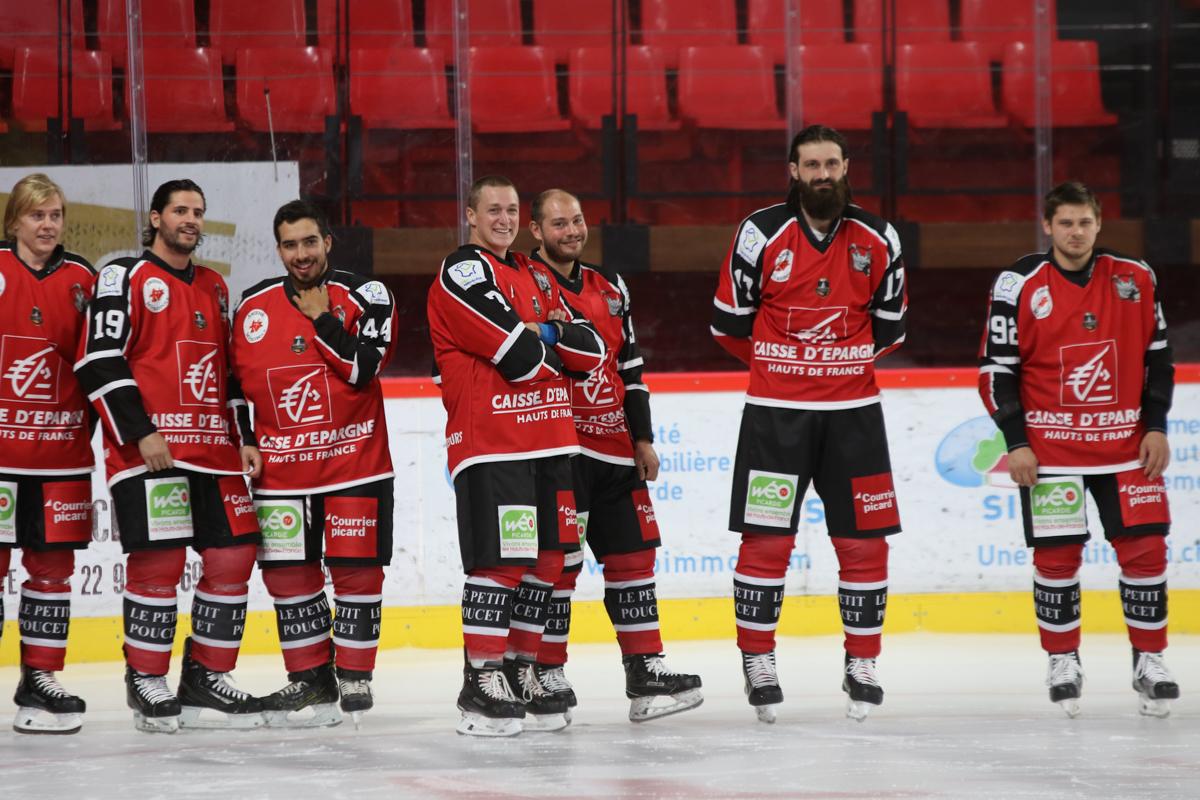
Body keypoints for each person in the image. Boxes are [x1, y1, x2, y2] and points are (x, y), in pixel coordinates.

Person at [710, 125, 907, 723]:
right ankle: (758, 660)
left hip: (855, 418)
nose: (823, 174)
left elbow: (891, 329)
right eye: (811, 165)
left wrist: (834, 369)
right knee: (767, 542)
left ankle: (863, 662)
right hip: (776, 417)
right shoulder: (759, 232)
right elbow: (727, 324)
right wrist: (786, 370)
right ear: (793, 171)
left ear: (846, 167)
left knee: (864, 544)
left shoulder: (880, 237)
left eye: (831, 164)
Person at [978, 181, 1178, 718]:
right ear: (1047, 226)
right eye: (1064, 222)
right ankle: (1063, 659)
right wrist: (1016, 442)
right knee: (1057, 558)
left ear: (1098, 224)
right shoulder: (1017, 283)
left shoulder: (1136, 277)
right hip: (1050, 451)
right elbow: (995, 372)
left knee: (1146, 553)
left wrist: (1155, 426)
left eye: (1084, 222)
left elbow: (1159, 360)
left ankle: (1150, 660)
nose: (1074, 232)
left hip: (1127, 447)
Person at [74, 179, 263, 732]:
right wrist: (140, 432)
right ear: (155, 218)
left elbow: (228, 373)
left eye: (198, 212)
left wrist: (244, 435)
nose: (191, 220)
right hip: (152, 451)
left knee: (233, 557)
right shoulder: (124, 276)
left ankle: (207, 676)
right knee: (159, 565)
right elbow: (98, 360)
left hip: (215, 450)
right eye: (180, 210)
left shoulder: (214, 285)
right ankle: (146, 678)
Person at [427, 175, 606, 736]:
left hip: (551, 440)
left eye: (510, 210)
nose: (503, 219)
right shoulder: (463, 271)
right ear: (471, 217)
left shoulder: (532, 272)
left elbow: (594, 348)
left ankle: (520, 669)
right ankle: (480, 679)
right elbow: (520, 356)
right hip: (493, 444)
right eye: (492, 210)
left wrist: (545, 334)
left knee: (550, 562)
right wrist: (547, 336)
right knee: (501, 564)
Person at [527, 189, 702, 722]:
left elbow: (630, 368)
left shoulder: (611, 286)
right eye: (558, 224)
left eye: (577, 220)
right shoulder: (522, 283)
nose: (571, 231)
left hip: (615, 447)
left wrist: (642, 437)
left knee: (632, 558)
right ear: (536, 231)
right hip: (559, 445)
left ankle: (644, 672)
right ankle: (545, 671)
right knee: (559, 564)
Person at [230, 200, 397, 729]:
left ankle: (353, 674)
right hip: (281, 472)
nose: (300, 255)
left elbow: (363, 369)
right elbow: (231, 385)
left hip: (357, 464)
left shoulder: (367, 295)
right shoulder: (252, 304)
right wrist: (246, 439)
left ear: (328, 242)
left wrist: (320, 318)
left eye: (309, 242)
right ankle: (309, 679)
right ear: (277, 249)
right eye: (289, 245)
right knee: (289, 579)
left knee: (357, 574)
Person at [0, 174, 95, 734]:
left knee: (53, 574)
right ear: (14, 221)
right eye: (37, 216)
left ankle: (40, 679)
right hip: (1, 456)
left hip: (62, 457)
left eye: (56, 214)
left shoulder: (84, 278)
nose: (48, 225)